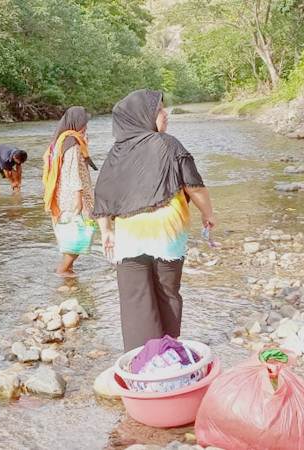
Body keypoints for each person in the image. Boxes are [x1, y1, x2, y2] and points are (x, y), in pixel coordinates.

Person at [94, 89, 216, 352]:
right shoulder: (168, 144)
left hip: (128, 237)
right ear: (144, 116)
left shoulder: (117, 152)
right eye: (159, 110)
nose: (165, 114)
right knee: (167, 293)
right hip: (166, 234)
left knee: (135, 299)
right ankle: (168, 350)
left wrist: (106, 231)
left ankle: (143, 358)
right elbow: (194, 187)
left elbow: (103, 194)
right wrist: (208, 214)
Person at [43, 106, 96, 277]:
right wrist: (79, 199)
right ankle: (63, 269)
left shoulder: (60, 140)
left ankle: (68, 268)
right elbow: (73, 172)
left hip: (63, 194)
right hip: (74, 195)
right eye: (84, 123)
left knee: (73, 231)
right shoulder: (73, 143)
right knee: (82, 232)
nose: (86, 126)